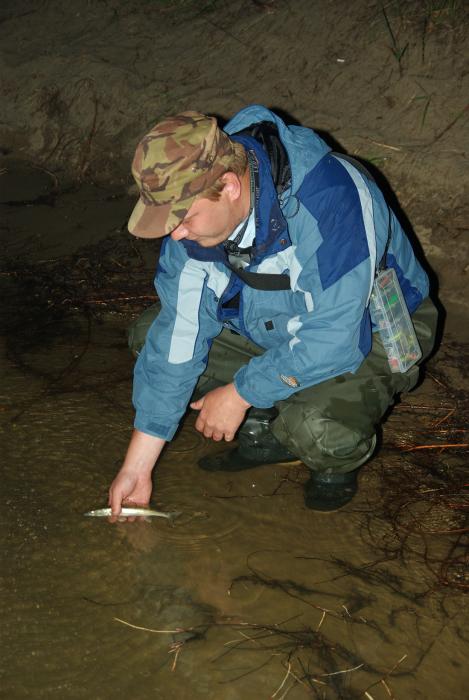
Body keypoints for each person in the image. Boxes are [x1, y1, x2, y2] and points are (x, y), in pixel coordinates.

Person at [108, 105, 438, 515]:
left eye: (183, 218)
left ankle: (330, 457)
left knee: (318, 431)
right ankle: (267, 427)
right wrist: (136, 466)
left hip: (373, 325)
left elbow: (336, 339)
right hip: (269, 321)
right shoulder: (194, 224)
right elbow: (178, 335)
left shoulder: (328, 199)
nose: (176, 233)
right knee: (149, 337)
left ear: (228, 186)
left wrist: (241, 392)